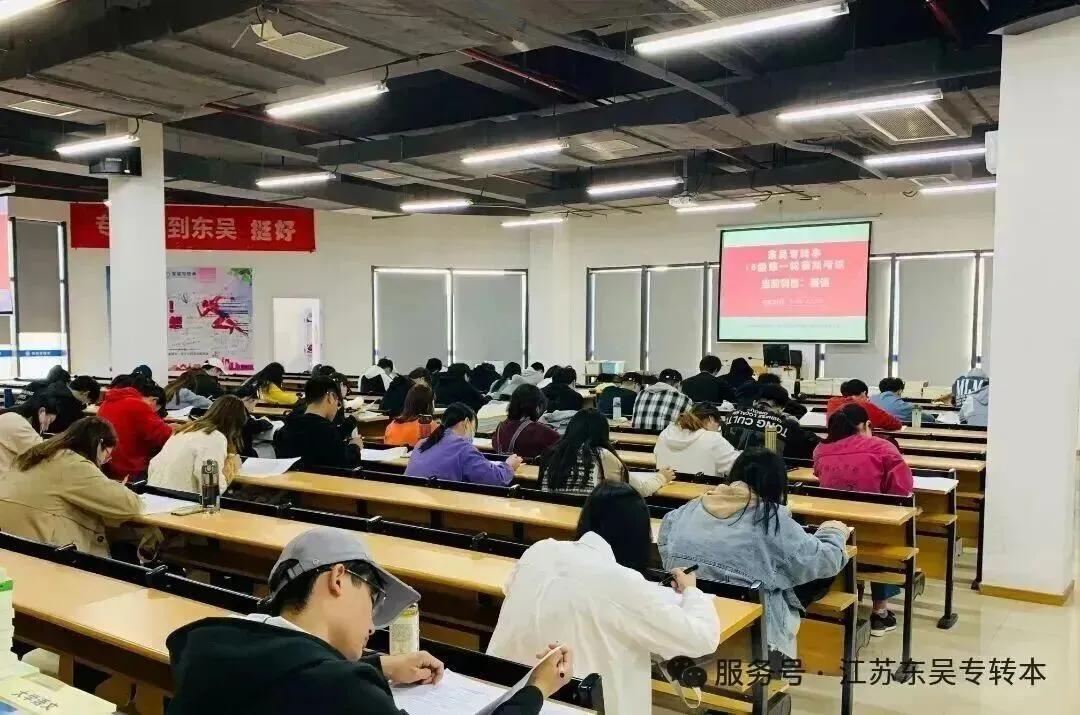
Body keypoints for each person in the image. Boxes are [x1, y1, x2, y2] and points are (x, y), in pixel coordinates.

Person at [166, 526, 570, 715]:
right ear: (338, 579)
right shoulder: (341, 691)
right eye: (373, 599)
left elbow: (288, 678)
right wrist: (535, 689)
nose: (373, 626)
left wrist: (379, 665)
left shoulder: (216, 649)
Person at [488, 482, 720, 715]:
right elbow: (702, 637)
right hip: (576, 704)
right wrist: (692, 591)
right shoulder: (623, 582)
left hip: (499, 697)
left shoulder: (539, 550)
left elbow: (509, 588)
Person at [658, 449, 849, 659]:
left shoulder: (683, 512)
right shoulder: (771, 521)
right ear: (777, 485)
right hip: (755, 641)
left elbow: (666, 555)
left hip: (687, 628)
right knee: (806, 576)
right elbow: (826, 560)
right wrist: (834, 531)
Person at [813, 403, 913, 635]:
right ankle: (880, 612)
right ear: (867, 425)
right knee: (886, 531)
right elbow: (902, 490)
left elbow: (819, 475)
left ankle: (849, 599)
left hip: (836, 530)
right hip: (873, 530)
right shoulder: (883, 447)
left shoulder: (820, 449)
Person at [0, 417, 140, 557]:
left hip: (12, 546)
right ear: (99, 444)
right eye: (107, 455)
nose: (104, 461)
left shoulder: (35, 454)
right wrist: (118, 487)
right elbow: (128, 505)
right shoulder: (74, 465)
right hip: (46, 553)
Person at [539, 408, 673, 497]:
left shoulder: (552, 453)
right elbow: (641, 490)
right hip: (587, 523)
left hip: (551, 517)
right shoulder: (601, 456)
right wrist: (662, 477)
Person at [148, 396, 248, 494]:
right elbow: (211, 489)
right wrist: (231, 468)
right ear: (235, 426)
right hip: (180, 499)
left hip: (154, 492)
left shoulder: (186, 429)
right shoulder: (214, 438)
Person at [405, 403, 520, 485]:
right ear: (466, 423)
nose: (473, 434)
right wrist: (509, 466)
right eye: (474, 429)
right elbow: (495, 478)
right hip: (439, 506)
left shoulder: (422, 443)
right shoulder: (463, 448)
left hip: (411, 502)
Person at [274, 377, 364, 470]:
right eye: (338, 403)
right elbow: (345, 467)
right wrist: (355, 447)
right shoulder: (328, 433)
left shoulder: (286, 428)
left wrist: (349, 424)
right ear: (331, 397)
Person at [97, 377, 174, 480]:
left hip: (106, 466)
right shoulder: (138, 405)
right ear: (154, 401)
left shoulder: (106, 403)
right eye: (155, 411)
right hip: (129, 469)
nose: (154, 414)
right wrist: (176, 429)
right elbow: (164, 436)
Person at [724, 384, 819, 460]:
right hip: (765, 473)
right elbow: (814, 445)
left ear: (754, 402)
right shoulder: (780, 424)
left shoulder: (732, 415)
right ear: (782, 409)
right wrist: (793, 424)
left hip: (732, 471)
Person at [654, 402, 739, 478]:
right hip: (704, 490)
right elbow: (739, 469)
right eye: (718, 425)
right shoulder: (713, 439)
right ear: (711, 419)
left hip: (665, 488)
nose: (718, 429)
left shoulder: (664, 434)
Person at [491, 384, 560, 459]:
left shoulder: (501, 427)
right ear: (537, 407)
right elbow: (562, 445)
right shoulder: (543, 432)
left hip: (503, 465)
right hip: (531, 466)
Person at [0, 395, 59, 471]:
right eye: (49, 420)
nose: (46, 428)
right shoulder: (16, 421)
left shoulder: (9, 417)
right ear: (42, 411)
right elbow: (40, 449)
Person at [825, 379, 902, 432]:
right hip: (857, 445)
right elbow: (896, 424)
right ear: (863, 393)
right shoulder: (866, 406)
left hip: (834, 443)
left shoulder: (832, 402)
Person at [232, 384, 275, 458]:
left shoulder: (228, 408)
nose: (253, 408)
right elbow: (259, 425)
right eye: (255, 403)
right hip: (243, 455)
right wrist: (264, 420)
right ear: (250, 400)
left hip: (231, 451)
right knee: (269, 448)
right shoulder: (241, 414)